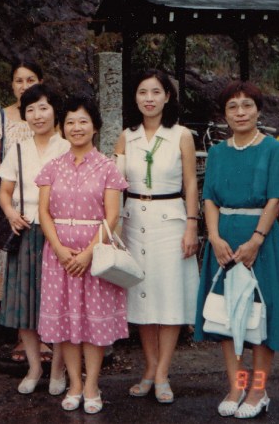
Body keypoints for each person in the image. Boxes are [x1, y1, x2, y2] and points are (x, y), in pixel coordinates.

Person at [194, 80, 279, 419]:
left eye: (246, 105)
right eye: (232, 106)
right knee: (225, 314)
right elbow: (208, 198)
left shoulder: (274, 150)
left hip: (260, 241)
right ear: (224, 114)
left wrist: (256, 239)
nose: (240, 112)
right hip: (223, 240)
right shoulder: (219, 152)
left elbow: (275, 197)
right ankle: (236, 385)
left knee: (260, 317)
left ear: (258, 109)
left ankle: (258, 390)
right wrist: (214, 237)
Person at [35, 95, 129, 414]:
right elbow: (44, 212)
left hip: (95, 253)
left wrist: (89, 252)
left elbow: (112, 215)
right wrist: (61, 250)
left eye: (83, 121)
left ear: (95, 127)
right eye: (71, 122)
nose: (77, 128)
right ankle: (74, 382)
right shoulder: (52, 167)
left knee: (92, 323)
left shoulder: (108, 168)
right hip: (59, 254)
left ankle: (92, 385)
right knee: (66, 322)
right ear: (62, 128)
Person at [113, 69, 200, 404]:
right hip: (134, 220)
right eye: (142, 92)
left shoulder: (181, 135)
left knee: (169, 295)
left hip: (171, 220)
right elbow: (115, 184)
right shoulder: (127, 137)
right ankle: (149, 369)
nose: (148, 98)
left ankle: (163, 373)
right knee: (142, 297)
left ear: (167, 96)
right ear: (135, 98)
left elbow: (191, 183)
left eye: (156, 92)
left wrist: (192, 223)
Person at [0, 84, 70, 395]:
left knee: (61, 305)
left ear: (55, 111)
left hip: (61, 234)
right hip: (26, 231)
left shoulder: (68, 147)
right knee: (25, 306)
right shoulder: (17, 149)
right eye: (30, 109)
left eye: (43, 108)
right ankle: (34, 367)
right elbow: (4, 191)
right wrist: (11, 213)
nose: (37, 115)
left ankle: (58, 370)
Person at [0, 60, 52, 363]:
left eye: (30, 79)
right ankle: (23, 340)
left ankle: (48, 338)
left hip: (51, 216)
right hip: (18, 212)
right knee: (20, 280)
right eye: (18, 80)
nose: (24, 85)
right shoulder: (2, 118)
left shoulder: (53, 121)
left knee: (46, 281)